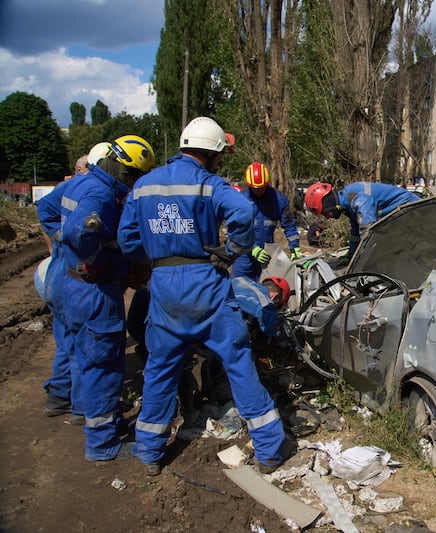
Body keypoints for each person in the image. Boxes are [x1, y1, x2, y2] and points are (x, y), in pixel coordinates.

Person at [117, 116, 287, 476]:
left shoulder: (144, 185)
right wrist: (235, 248)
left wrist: (155, 256)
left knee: (161, 369)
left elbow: (127, 239)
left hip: (163, 286)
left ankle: (149, 451)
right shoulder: (210, 184)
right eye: (220, 155)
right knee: (238, 361)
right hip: (205, 283)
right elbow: (242, 211)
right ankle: (271, 449)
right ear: (211, 153)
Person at [59, 135, 156, 462]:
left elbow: (47, 211)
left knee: (85, 357)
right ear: (121, 169)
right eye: (131, 177)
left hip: (71, 284)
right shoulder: (101, 195)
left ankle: (92, 416)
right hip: (96, 290)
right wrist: (98, 260)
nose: (131, 185)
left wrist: (67, 255)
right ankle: (102, 444)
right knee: (104, 365)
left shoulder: (79, 183)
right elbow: (81, 231)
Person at [36, 142, 112, 424]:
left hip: (60, 271)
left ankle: (58, 396)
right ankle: (81, 406)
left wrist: (57, 238)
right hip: (74, 271)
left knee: (66, 339)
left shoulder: (70, 188)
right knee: (83, 344)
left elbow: (44, 209)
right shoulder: (91, 190)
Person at [304, 181, 419, 266]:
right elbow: (355, 233)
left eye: (325, 213)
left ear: (329, 204)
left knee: (405, 253)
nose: (327, 217)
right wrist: (351, 254)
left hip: (413, 211)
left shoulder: (359, 198)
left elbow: (368, 232)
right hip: (400, 215)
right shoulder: (347, 203)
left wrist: (364, 264)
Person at [231, 162, 301, 280]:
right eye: (255, 189)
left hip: (266, 253)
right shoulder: (240, 200)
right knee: (240, 287)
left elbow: (289, 225)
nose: (258, 191)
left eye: (262, 188)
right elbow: (235, 230)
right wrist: (251, 248)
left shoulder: (278, 200)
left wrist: (294, 247)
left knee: (267, 288)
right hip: (243, 255)